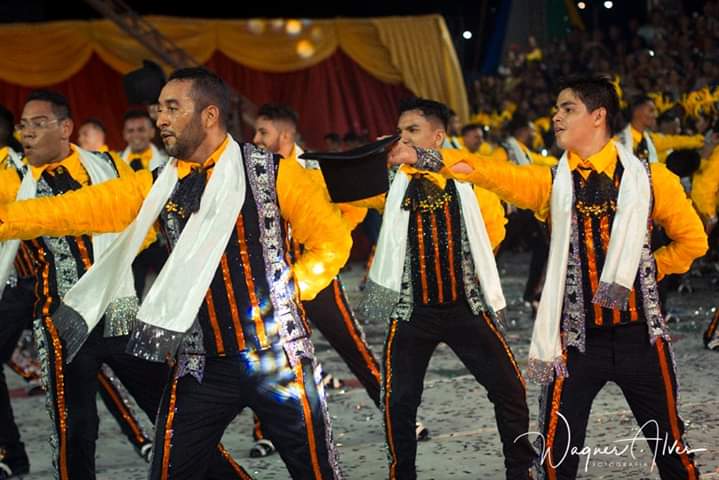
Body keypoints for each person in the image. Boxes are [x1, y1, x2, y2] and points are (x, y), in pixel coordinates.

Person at [0, 68, 351, 480]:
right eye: (159, 109)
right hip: (202, 367)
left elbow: (332, 242)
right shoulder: (162, 184)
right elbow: (78, 208)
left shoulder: (274, 173)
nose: (160, 119)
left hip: (277, 357)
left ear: (209, 115)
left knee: (317, 471)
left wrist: (289, 291)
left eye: (172, 108)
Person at [393, 76, 707, 479]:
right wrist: (426, 157)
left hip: (642, 338)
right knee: (557, 460)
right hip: (575, 345)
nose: (556, 116)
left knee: (673, 454)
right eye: (556, 108)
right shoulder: (550, 182)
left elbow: (693, 241)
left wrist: (646, 270)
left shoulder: (650, 178)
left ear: (598, 116)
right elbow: (489, 171)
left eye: (567, 108)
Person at [324, 97, 535, 480]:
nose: (403, 138)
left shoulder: (469, 181)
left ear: (437, 138)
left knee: (510, 390)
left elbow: (495, 229)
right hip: (411, 313)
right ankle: (401, 474)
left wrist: (468, 266)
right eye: (400, 131)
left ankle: (520, 471)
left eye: (413, 130)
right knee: (398, 402)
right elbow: (340, 191)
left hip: (465, 308)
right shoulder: (390, 182)